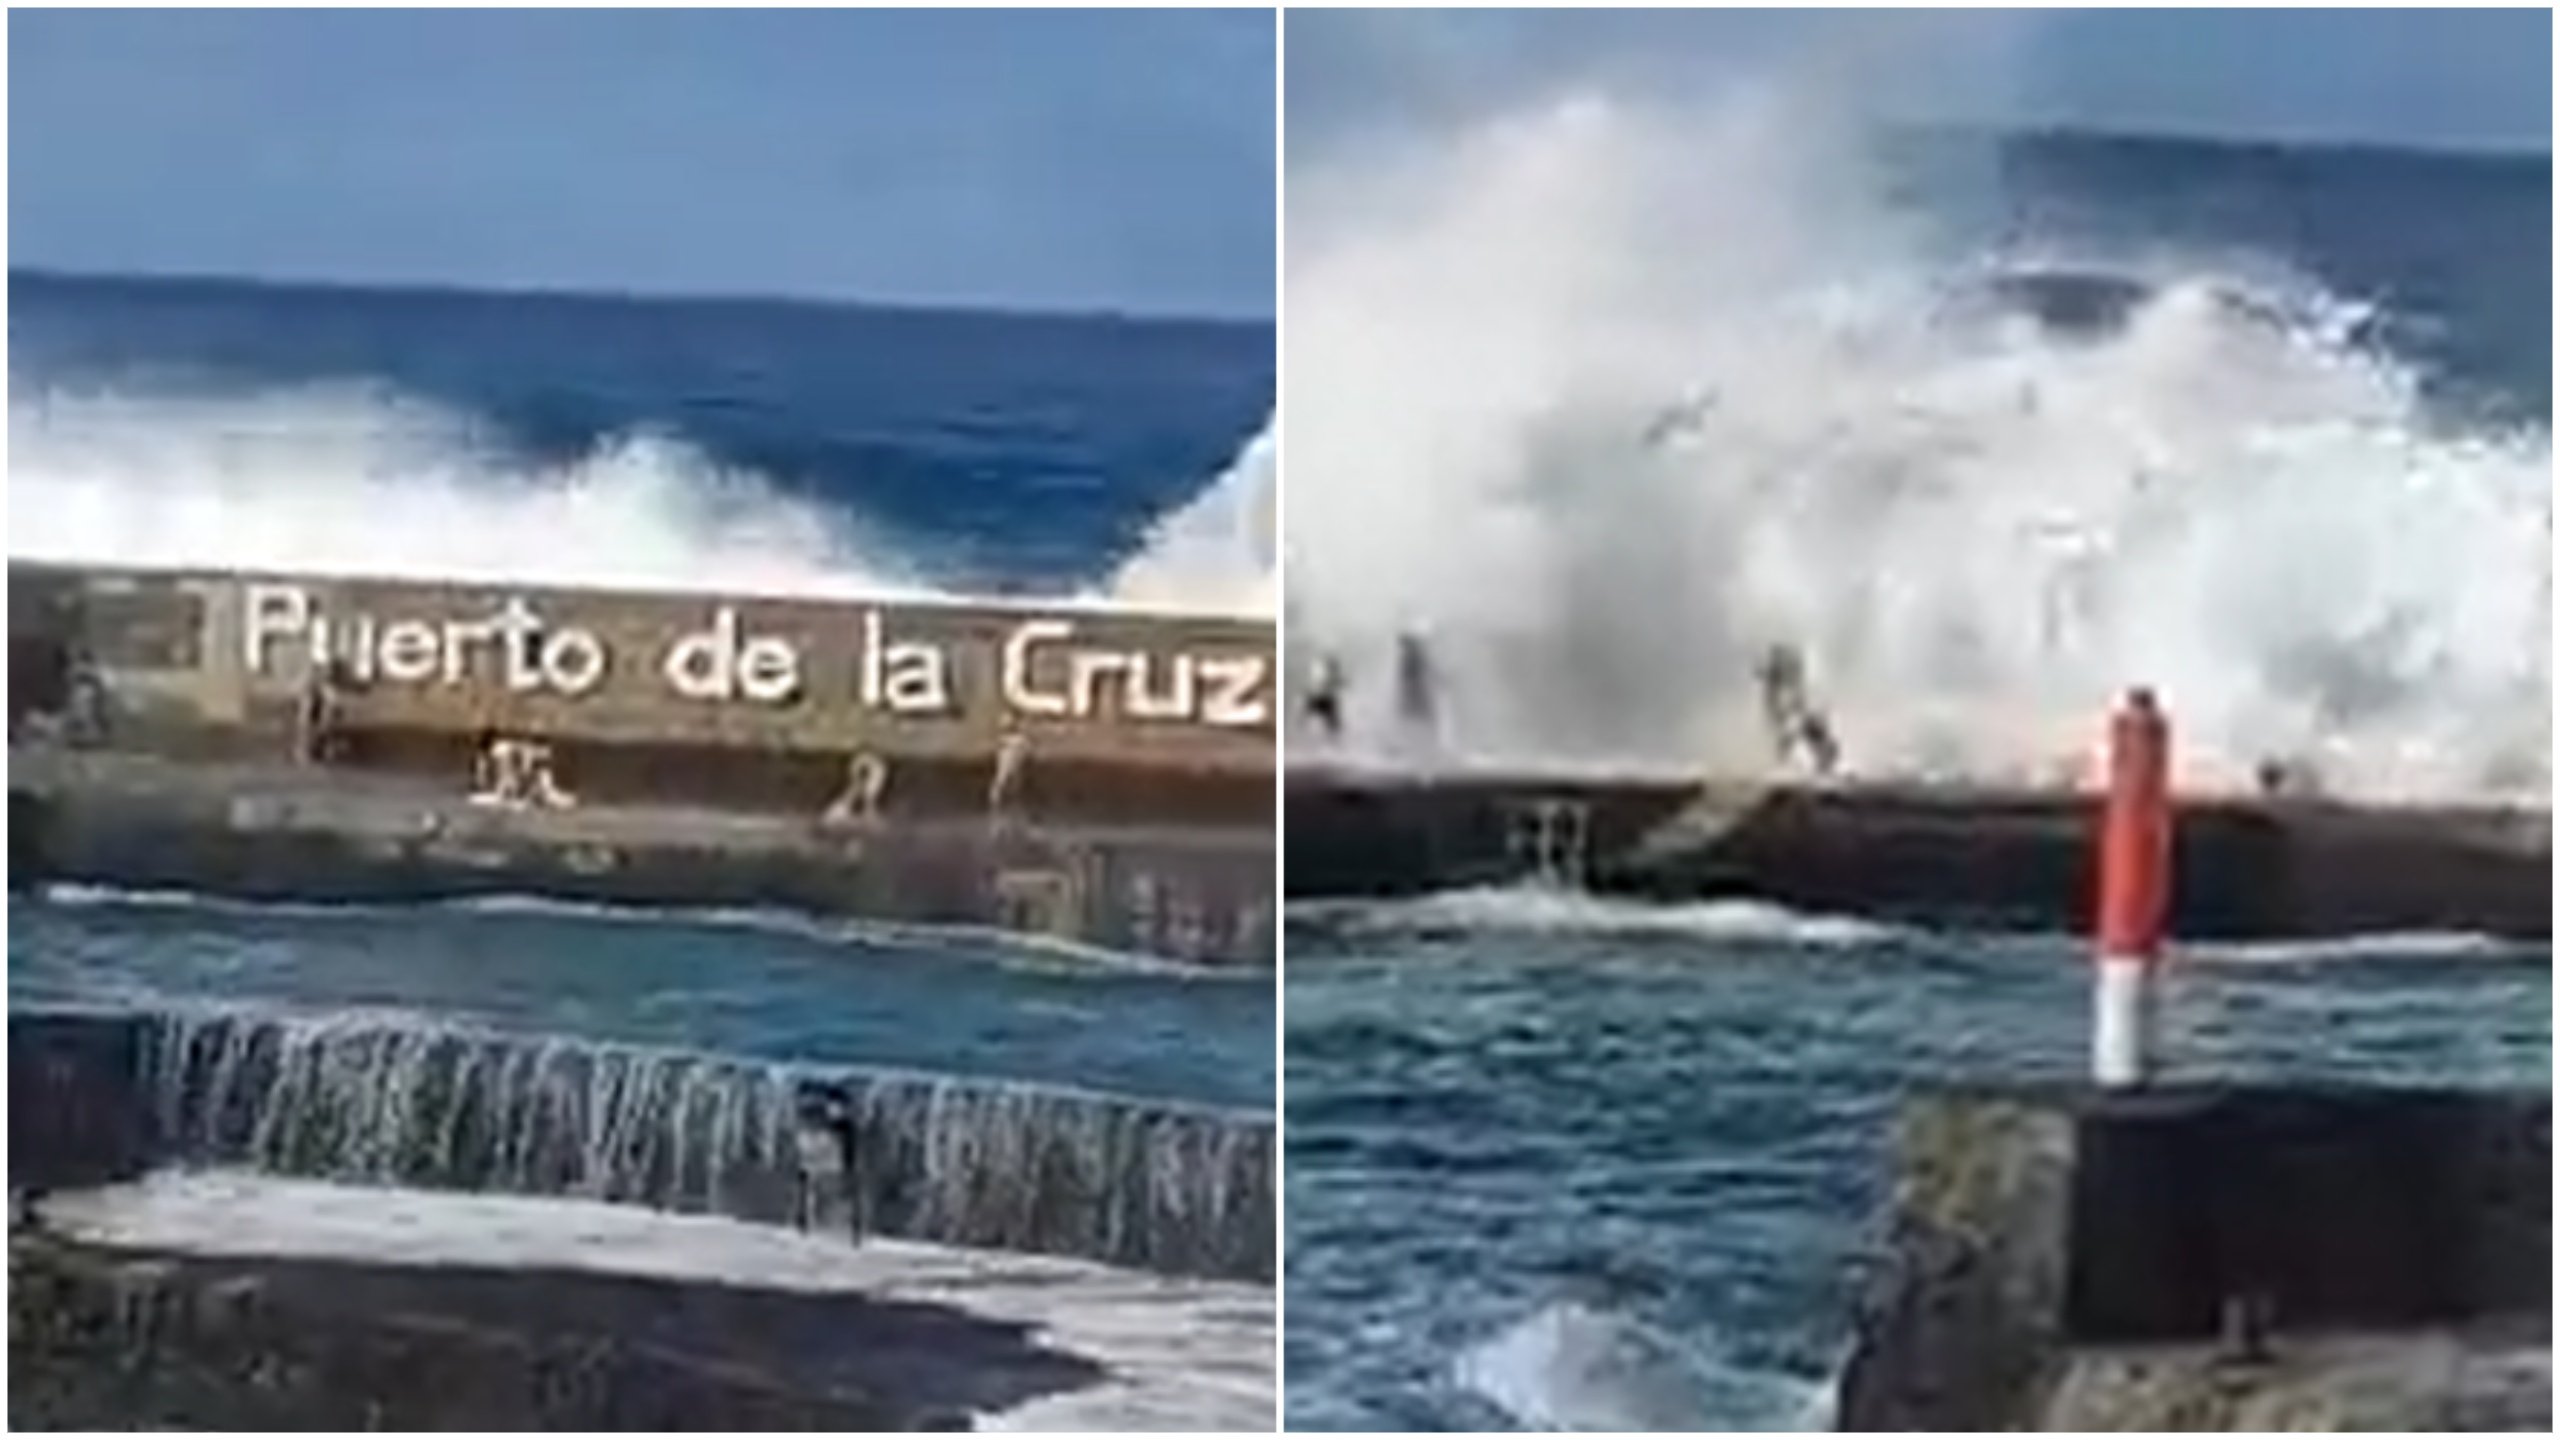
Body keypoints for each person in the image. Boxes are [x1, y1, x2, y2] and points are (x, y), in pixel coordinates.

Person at [1305, 651, 1345, 741]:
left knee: (1333, 723)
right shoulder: (1326, 675)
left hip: (1325, 701)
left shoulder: (1328, 675)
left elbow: (1337, 684)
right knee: (1332, 723)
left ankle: (1333, 740)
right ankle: (1333, 740)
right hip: (1323, 700)